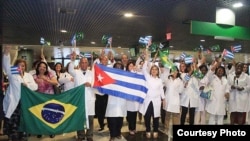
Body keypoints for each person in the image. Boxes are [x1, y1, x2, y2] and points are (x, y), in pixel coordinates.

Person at [2, 46, 38, 140]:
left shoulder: (28, 75)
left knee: (23, 125)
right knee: (13, 127)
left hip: (25, 104)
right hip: (14, 104)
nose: (21, 67)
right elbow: (6, 65)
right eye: (19, 65)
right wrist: (6, 53)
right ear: (15, 66)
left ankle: (23, 137)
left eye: (23, 66)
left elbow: (35, 86)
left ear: (25, 67)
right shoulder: (12, 73)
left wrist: (27, 85)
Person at [139, 46, 165, 139]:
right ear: (151, 71)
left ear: (158, 71)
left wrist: (163, 99)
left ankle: (155, 130)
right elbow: (144, 67)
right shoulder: (147, 77)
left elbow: (161, 90)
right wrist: (146, 55)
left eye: (156, 69)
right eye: (153, 69)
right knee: (147, 116)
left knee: (156, 117)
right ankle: (147, 130)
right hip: (148, 100)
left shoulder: (159, 80)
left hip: (157, 101)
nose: (154, 71)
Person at [69, 52, 95, 141]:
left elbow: (96, 85)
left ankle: (89, 135)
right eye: (82, 62)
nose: (84, 64)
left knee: (90, 119)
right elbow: (70, 69)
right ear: (79, 64)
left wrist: (90, 84)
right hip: (79, 99)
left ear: (88, 64)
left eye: (85, 62)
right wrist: (72, 60)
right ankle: (80, 135)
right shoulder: (76, 72)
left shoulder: (92, 73)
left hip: (90, 99)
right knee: (79, 118)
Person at [33, 61, 58, 138]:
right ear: (38, 67)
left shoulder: (50, 74)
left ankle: (51, 131)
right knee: (39, 115)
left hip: (49, 97)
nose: (42, 68)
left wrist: (46, 79)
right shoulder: (34, 76)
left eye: (44, 67)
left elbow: (56, 83)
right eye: (41, 66)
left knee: (50, 115)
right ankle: (40, 131)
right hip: (38, 98)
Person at [106, 62, 127, 141]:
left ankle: (118, 133)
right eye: (117, 67)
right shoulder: (109, 77)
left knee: (120, 120)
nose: (118, 68)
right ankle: (112, 135)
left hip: (121, 102)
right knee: (111, 120)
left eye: (120, 67)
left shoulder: (125, 78)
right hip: (112, 101)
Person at [95, 55, 109, 132]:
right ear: (101, 60)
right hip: (99, 93)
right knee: (99, 111)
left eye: (106, 60)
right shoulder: (97, 68)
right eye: (103, 60)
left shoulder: (109, 69)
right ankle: (101, 125)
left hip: (107, 93)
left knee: (107, 109)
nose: (105, 61)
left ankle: (109, 124)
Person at [125, 61, 140, 135]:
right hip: (128, 98)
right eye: (130, 66)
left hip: (135, 98)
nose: (131, 67)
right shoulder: (126, 75)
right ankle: (130, 128)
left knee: (134, 114)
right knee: (129, 115)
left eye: (132, 66)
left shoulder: (136, 74)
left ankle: (134, 128)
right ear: (127, 67)